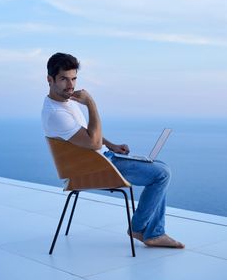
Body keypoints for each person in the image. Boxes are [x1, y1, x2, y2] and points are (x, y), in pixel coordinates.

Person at [42, 52, 185, 249]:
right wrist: (91, 103)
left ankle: (153, 231)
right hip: (92, 168)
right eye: (64, 79)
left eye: (74, 78)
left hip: (100, 158)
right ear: (50, 80)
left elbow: (83, 135)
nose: (70, 85)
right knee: (161, 174)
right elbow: (92, 142)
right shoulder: (56, 113)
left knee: (160, 167)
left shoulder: (64, 103)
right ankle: (145, 230)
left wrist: (111, 145)